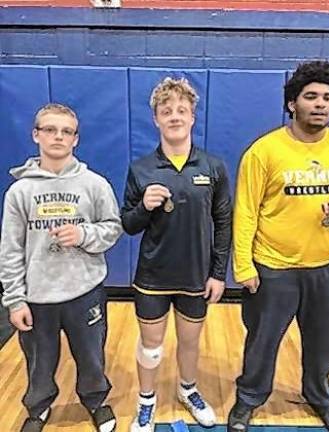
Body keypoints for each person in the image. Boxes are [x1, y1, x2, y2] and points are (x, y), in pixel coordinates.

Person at [228, 61, 329, 432]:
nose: (320, 104)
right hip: (274, 268)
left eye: (327, 97)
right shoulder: (263, 152)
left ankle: (319, 397)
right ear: (292, 103)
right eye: (311, 97)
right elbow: (245, 213)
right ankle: (248, 400)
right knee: (262, 344)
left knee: (327, 344)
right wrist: (244, 266)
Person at [0, 103, 122, 432]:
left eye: (66, 131)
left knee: (91, 356)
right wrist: (15, 299)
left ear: (75, 139)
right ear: (36, 135)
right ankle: (38, 409)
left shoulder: (94, 184)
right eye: (50, 130)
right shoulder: (19, 191)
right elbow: (10, 249)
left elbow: (113, 228)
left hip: (85, 292)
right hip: (38, 296)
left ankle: (96, 401)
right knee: (39, 362)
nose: (58, 136)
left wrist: (84, 234)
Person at [121, 77, 232, 432]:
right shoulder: (140, 169)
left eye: (181, 110)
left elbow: (223, 221)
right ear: (155, 118)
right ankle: (146, 401)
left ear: (193, 116)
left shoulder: (212, 167)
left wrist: (218, 273)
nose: (174, 116)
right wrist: (144, 207)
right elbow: (128, 224)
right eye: (166, 110)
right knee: (151, 349)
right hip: (153, 276)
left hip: (196, 276)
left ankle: (188, 390)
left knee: (189, 342)